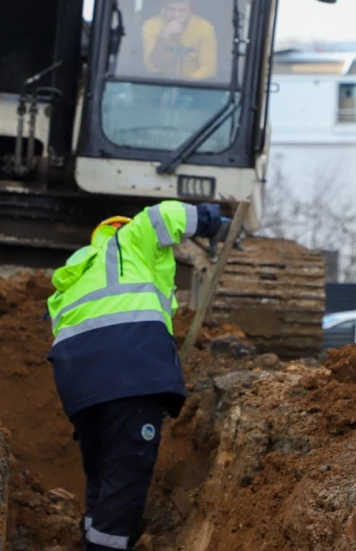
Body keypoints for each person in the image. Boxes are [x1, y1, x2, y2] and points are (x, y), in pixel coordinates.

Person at [47, 201, 229, 550]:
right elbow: (162, 217)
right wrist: (211, 221)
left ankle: (91, 539)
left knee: (101, 472)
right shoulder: (128, 239)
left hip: (78, 384)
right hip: (127, 371)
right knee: (126, 474)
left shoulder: (73, 275)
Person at [141, 0, 218, 81]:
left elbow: (209, 67)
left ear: (191, 12)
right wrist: (163, 36)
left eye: (181, 11)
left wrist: (185, 83)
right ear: (164, 10)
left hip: (194, 84)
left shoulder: (205, 27)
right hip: (159, 81)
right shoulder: (151, 25)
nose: (175, 15)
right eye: (171, 10)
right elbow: (152, 65)